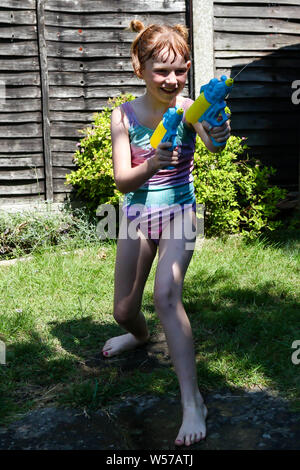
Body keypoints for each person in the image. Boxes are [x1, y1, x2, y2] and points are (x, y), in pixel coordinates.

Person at [102, 20, 231, 447]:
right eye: (161, 70)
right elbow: (122, 180)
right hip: (137, 215)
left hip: (181, 213)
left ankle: (193, 401)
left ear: (189, 68)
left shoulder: (190, 108)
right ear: (139, 67)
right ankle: (138, 336)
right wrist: (150, 165)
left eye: (179, 70)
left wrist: (218, 133)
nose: (171, 80)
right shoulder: (124, 115)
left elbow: (213, 144)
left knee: (166, 295)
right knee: (124, 310)